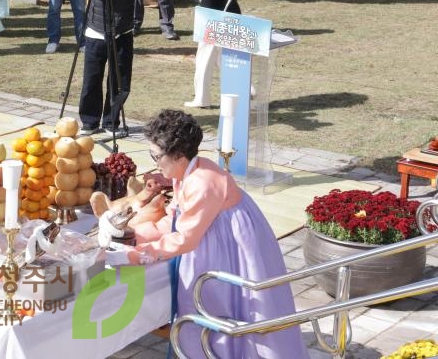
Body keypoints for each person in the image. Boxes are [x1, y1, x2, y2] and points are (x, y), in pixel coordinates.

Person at [102, 109, 310, 359]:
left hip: (229, 243)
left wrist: (135, 255)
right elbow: (175, 219)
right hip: (211, 236)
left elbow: (185, 237)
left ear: (178, 155)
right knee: (208, 298)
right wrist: (135, 234)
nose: (154, 162)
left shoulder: (203, 183)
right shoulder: (186, 172)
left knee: (221, 299)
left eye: (156, 156)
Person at [74, 0, 147, 136]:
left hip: (122, 32)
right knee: (91, 80)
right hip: (96, 31)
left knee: (120, 82)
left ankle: (111, 122)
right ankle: (89, 122)